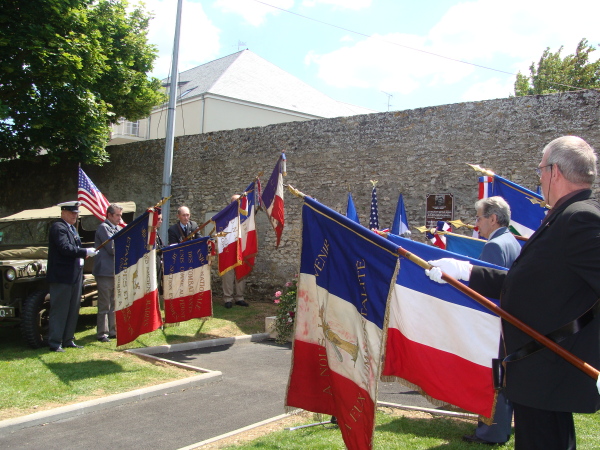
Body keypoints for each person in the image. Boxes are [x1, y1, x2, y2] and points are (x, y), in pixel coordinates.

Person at [426, 136, 600, 450]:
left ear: (555, 172)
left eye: (541, 169)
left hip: (550, 370)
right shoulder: (563, 217)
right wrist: (466, 272)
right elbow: (528, 283)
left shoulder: (580, 219)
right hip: (538, 372)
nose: (540, 176)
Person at [463, 196, 521, 445]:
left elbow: (488, 290)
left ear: (493, 218)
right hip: (510, 324)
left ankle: (491, 433)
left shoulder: (494, 246)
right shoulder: (512, 241)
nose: (477, 224)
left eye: (479, 218)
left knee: (494, 379)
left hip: (496, 324)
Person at [47, 201, 98, 352]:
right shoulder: (59, 227)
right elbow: (65, 248)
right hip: (62, 276)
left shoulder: (71, 228)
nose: (74, 216)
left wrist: (84, 254)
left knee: (73, 309)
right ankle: (55, 342)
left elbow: (74, 248)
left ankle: (68, 339)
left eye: (76, 213)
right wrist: (84, 252)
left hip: (74, 275)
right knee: (60, 309)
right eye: (71, 213)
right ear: (63, 213)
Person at [92, 203, 122, 343]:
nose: (119, 218)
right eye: (117, 215)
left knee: (114, 303)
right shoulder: (104, 228)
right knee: (104, 304)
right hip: (104, 272)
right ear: (109, 215)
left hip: (113, 271)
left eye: (120, 216)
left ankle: (113, 330)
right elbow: (112, 248)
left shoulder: (116, 228)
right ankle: (102, 333)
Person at [221, 194, 249, 309]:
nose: (237, 204)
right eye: (235, 202)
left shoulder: (245, 216)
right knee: (228, 275)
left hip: (241, 249)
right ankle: (228, 298)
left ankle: (239, 297)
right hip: (228, 249)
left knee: (240, 272)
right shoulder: (224, 216)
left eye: (239, 202)